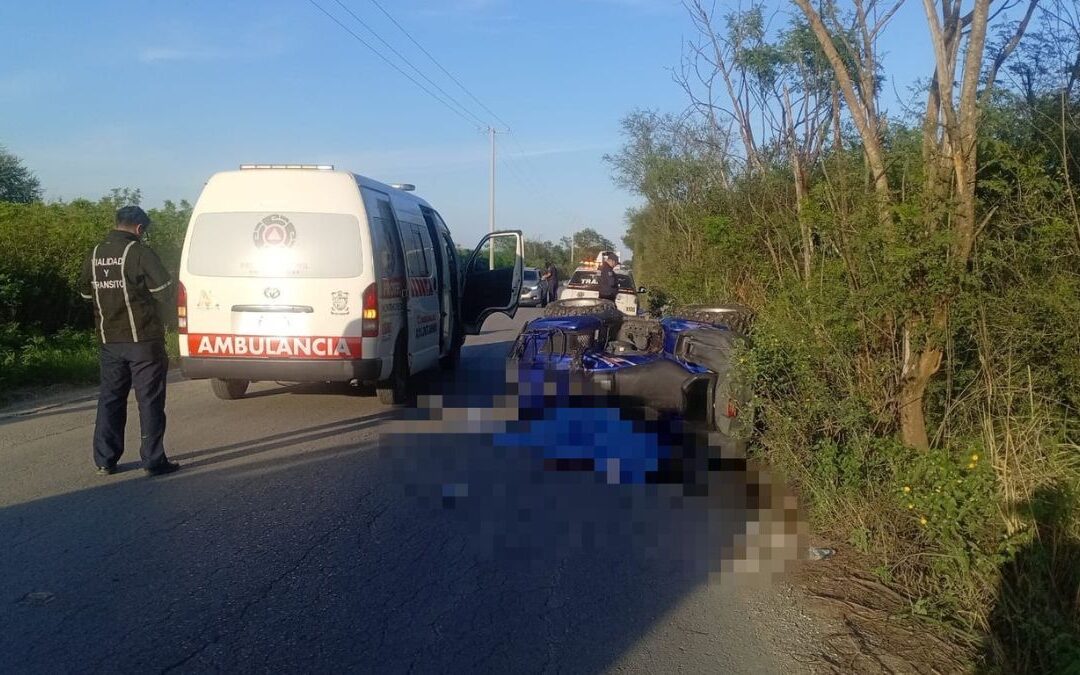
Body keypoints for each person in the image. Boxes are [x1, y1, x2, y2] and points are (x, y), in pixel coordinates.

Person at [78, 206, 180, 477]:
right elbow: (164, 291)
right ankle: (153, 460)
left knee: (110, 399)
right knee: (149, 401)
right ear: (139, 228)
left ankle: (105, 460)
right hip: (143, 339)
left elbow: (85, 295)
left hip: (109, 340)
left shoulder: (95, 253)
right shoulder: (139, 252)